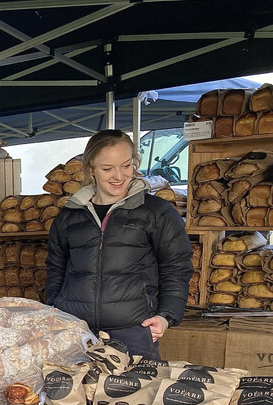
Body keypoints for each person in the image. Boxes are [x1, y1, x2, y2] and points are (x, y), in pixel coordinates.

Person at [45, 129, 194, 359]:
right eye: (107, 168)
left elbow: (177, 268)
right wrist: (54, 309)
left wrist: (166, 316)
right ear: (91, 169)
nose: (119, 176)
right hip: (75, 332)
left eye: (126, 165)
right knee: (74, 395)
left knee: (134, 395)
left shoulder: (157, 212)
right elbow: (56, 267)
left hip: (133, 331)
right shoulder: (69, 216)